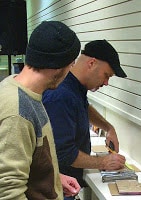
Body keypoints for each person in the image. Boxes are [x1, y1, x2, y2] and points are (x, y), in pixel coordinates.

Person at [0, 21, 81, 200]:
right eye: (71, 64)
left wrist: (53, 180)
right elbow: (8, 192)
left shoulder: (25, 93)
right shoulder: (18, 111)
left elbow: (28, 161)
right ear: (60, 65)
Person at [42, 40, 127, 200]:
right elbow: (64, 154)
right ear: (92, 63)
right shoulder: (61, 95)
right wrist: (103, 162)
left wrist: (109, 127)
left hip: (68, 185)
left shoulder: (74, 87)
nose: (106, 82)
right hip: (58, 190)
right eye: (106, 75)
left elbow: (84, 106)